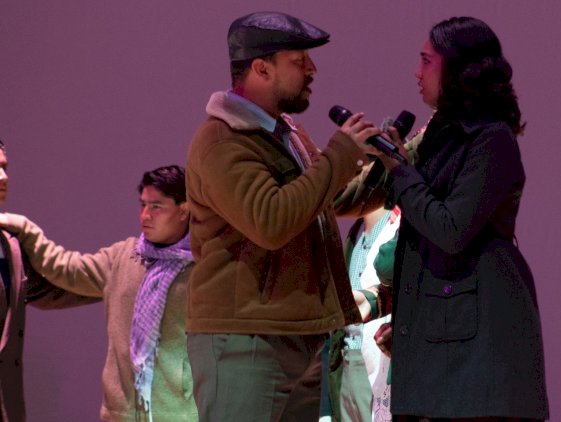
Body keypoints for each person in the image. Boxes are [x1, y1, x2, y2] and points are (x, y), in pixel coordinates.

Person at [345, 17, 549, 421]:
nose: (416, 73)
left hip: (479, 357)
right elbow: (357, 200)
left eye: (426, 61)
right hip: (444, 347)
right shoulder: (438, 133)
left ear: (458, 69)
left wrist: (400, 169)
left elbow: (450, 229)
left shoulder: (491, 139)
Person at [185, 11, 381, 422]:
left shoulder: (285, 132)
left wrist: (389, 164)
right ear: (262, 68)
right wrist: (340, 154)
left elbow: (326, 198)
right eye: (299, 60)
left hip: (291, 335)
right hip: (246, 341)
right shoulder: (223, 141)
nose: (312, 69)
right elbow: (271, 221)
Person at [0, 165, 199, 421]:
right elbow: (66, 269)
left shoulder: (202, 269)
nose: (145, 215)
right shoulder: (124, 257)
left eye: (156, 206)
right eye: (142, 205)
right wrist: (26, 229)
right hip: (122, 413)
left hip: (181, 413)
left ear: (183, 210)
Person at [0, 139, 99, 421]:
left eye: (5, 167)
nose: (3, 177)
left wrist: (120, 279)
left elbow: (44, 291)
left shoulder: (9, 243)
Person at [327, 206, 400, 422]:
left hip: (377, 356)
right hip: (347, 356)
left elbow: (388, 271)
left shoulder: (395, 223)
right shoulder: (355, 233)